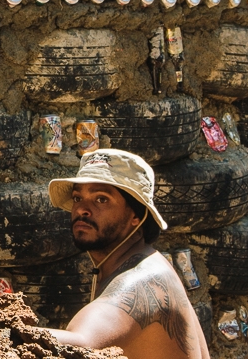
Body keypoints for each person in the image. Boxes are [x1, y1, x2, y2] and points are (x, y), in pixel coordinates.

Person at [43, 149, 210, 359]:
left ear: (136, 215)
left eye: (101, 199)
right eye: (77, 197)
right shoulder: (132, 265)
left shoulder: (143, 279)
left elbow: (79, 344)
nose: (81, 209)